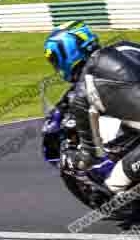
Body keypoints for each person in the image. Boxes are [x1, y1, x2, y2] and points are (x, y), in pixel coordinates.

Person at [45, 20, 140, 193]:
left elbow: (91, 152)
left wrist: (78, 161)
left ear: (66, 54)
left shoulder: (83, 92)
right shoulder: (125, 47)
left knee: (114, 185)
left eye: (55, 61)